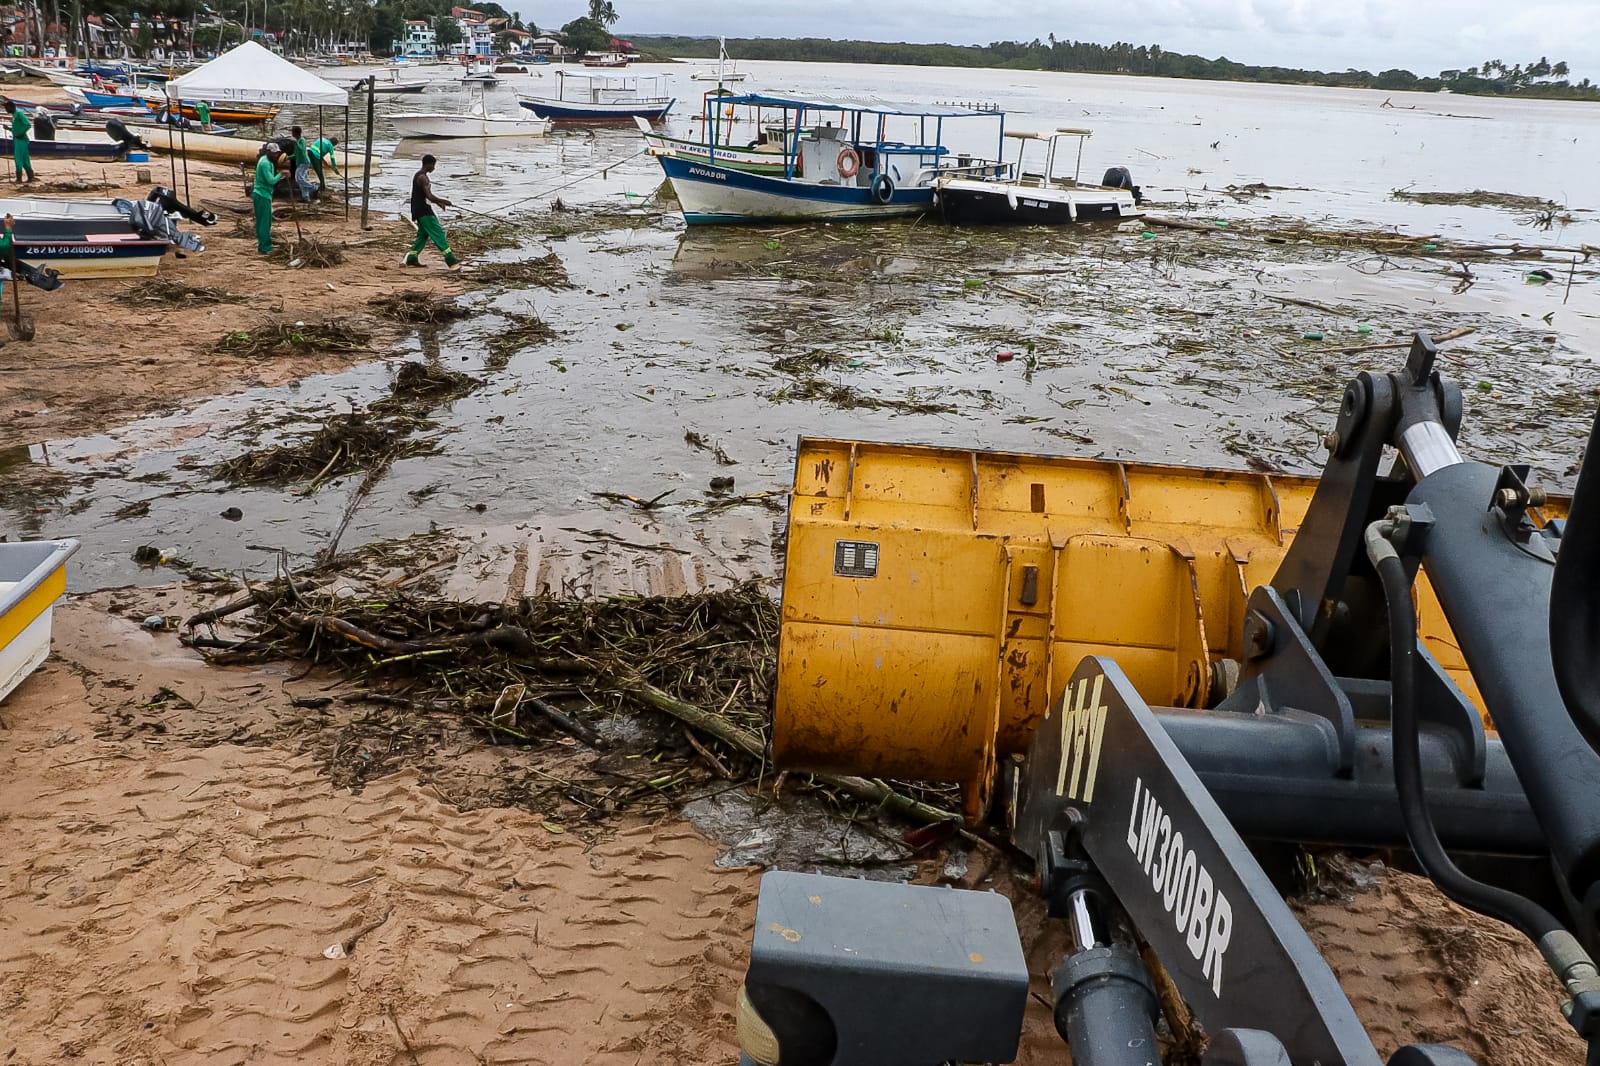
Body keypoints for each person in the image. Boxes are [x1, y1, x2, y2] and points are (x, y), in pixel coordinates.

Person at [405, 154, 459, 268]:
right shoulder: (422, 177)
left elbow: (424, 196)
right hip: (424, 210)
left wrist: (438, 203)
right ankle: (451, 260)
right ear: (428, 164)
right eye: (433, 165)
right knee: (438, 233)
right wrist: (443, 201)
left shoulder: (419, 175)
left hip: (418, 209)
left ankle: (412, 258)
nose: (434, 168)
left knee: (423, 235)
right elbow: (429, 196)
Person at [252, 144, 284, 254]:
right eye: (274, 153)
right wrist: (281, 174)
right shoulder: (265, 163)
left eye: (277, 153)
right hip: (262, 195)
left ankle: (263, 245)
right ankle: (265, 247)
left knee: (265, 221)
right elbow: (271, 180)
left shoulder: (266, 160)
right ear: (268, 151)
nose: (276, 155)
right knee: (264, 222)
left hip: (264, 194)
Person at [5, 100, 34, 184]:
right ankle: (30, 177)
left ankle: (19, 179)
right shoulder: (14, 115)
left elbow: (27, 124)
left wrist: (20, 133)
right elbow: (16, 129)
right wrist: (9, 129)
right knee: (25, 160)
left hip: (21, 140)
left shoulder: (19, 114)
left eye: (6, 107)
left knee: (18, 159)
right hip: (19, 140)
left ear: (11, 107)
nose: (6, 109)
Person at [289, 125, 316, 201]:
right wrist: (288, 157)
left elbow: (302, 150)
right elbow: (296, 154)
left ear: (295, 133)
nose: (292, 134)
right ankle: (306, 197)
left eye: (292, 132)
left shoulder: (302, 140)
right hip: (299, 162)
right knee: (303, 181)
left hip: (304, 162)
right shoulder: (297, 141)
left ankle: (313, 187)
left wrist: (296, 143)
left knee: (298, 178)